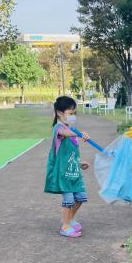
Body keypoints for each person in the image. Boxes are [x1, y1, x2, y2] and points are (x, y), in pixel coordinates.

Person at [44, 96, 90, 238]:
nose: (73, 116)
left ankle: (69, 219)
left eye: (75, 113)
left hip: (74, 171)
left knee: (80, 197)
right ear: (59, 113)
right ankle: (65, 226)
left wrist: (79, 162)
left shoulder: (71, 130)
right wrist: (80, 134)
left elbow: (70, 154)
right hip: (64, 173)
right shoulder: (59, 128)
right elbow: (65, 133)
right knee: (68, 200)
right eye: (70, 113)